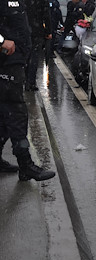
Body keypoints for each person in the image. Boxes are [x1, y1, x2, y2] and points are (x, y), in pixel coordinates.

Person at [0, 0, 56, 181]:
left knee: (4, 116)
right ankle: (26, 165)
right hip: (5, 63)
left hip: (15, 61)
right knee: (16, 113)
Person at [25, 0, 52, 91]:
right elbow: (46, 15)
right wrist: (48, 31)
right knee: (34, 57)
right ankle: (31, 82)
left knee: (26, 56)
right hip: (36, 31)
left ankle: (25, 81)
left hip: (25, 30)